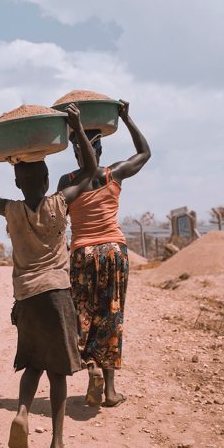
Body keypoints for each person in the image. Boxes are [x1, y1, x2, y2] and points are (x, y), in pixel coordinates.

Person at [0, 103, 96, 448]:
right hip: (57, 293)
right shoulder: (60, 202)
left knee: (32, 363)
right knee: (58, 371)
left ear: (17, 182)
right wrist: (76, 127)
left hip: (26, 297)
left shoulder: (11, 210)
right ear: (44, 179)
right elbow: (88, 170)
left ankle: (23, 411)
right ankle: (56, 445)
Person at [56, 100, 151, 408]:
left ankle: (92, 369)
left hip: (83, 252)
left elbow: (57, 220)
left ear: (76, 150)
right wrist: (126, 116)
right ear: (100, 150)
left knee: (83, 316)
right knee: (110, 316)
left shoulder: (67, 182)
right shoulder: (114, 174)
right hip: (114, 251)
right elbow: (145, 153)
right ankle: (109, 391)